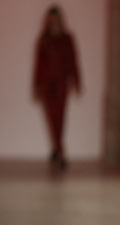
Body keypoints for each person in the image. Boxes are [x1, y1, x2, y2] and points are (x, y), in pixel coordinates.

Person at [33, 5, 81, 169]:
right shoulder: (43, 39)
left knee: (60, 118)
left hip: (62, 84)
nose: (54, 22)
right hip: (47, 85)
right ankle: (59, 151)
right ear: (48, 21)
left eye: (56, 18)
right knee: (51, 118)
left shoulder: (67, 38)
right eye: (51, 19)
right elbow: (38, 65)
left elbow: (73, 60)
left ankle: (58, 150)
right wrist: (36, 86)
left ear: (60, 19)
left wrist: (77, 81)